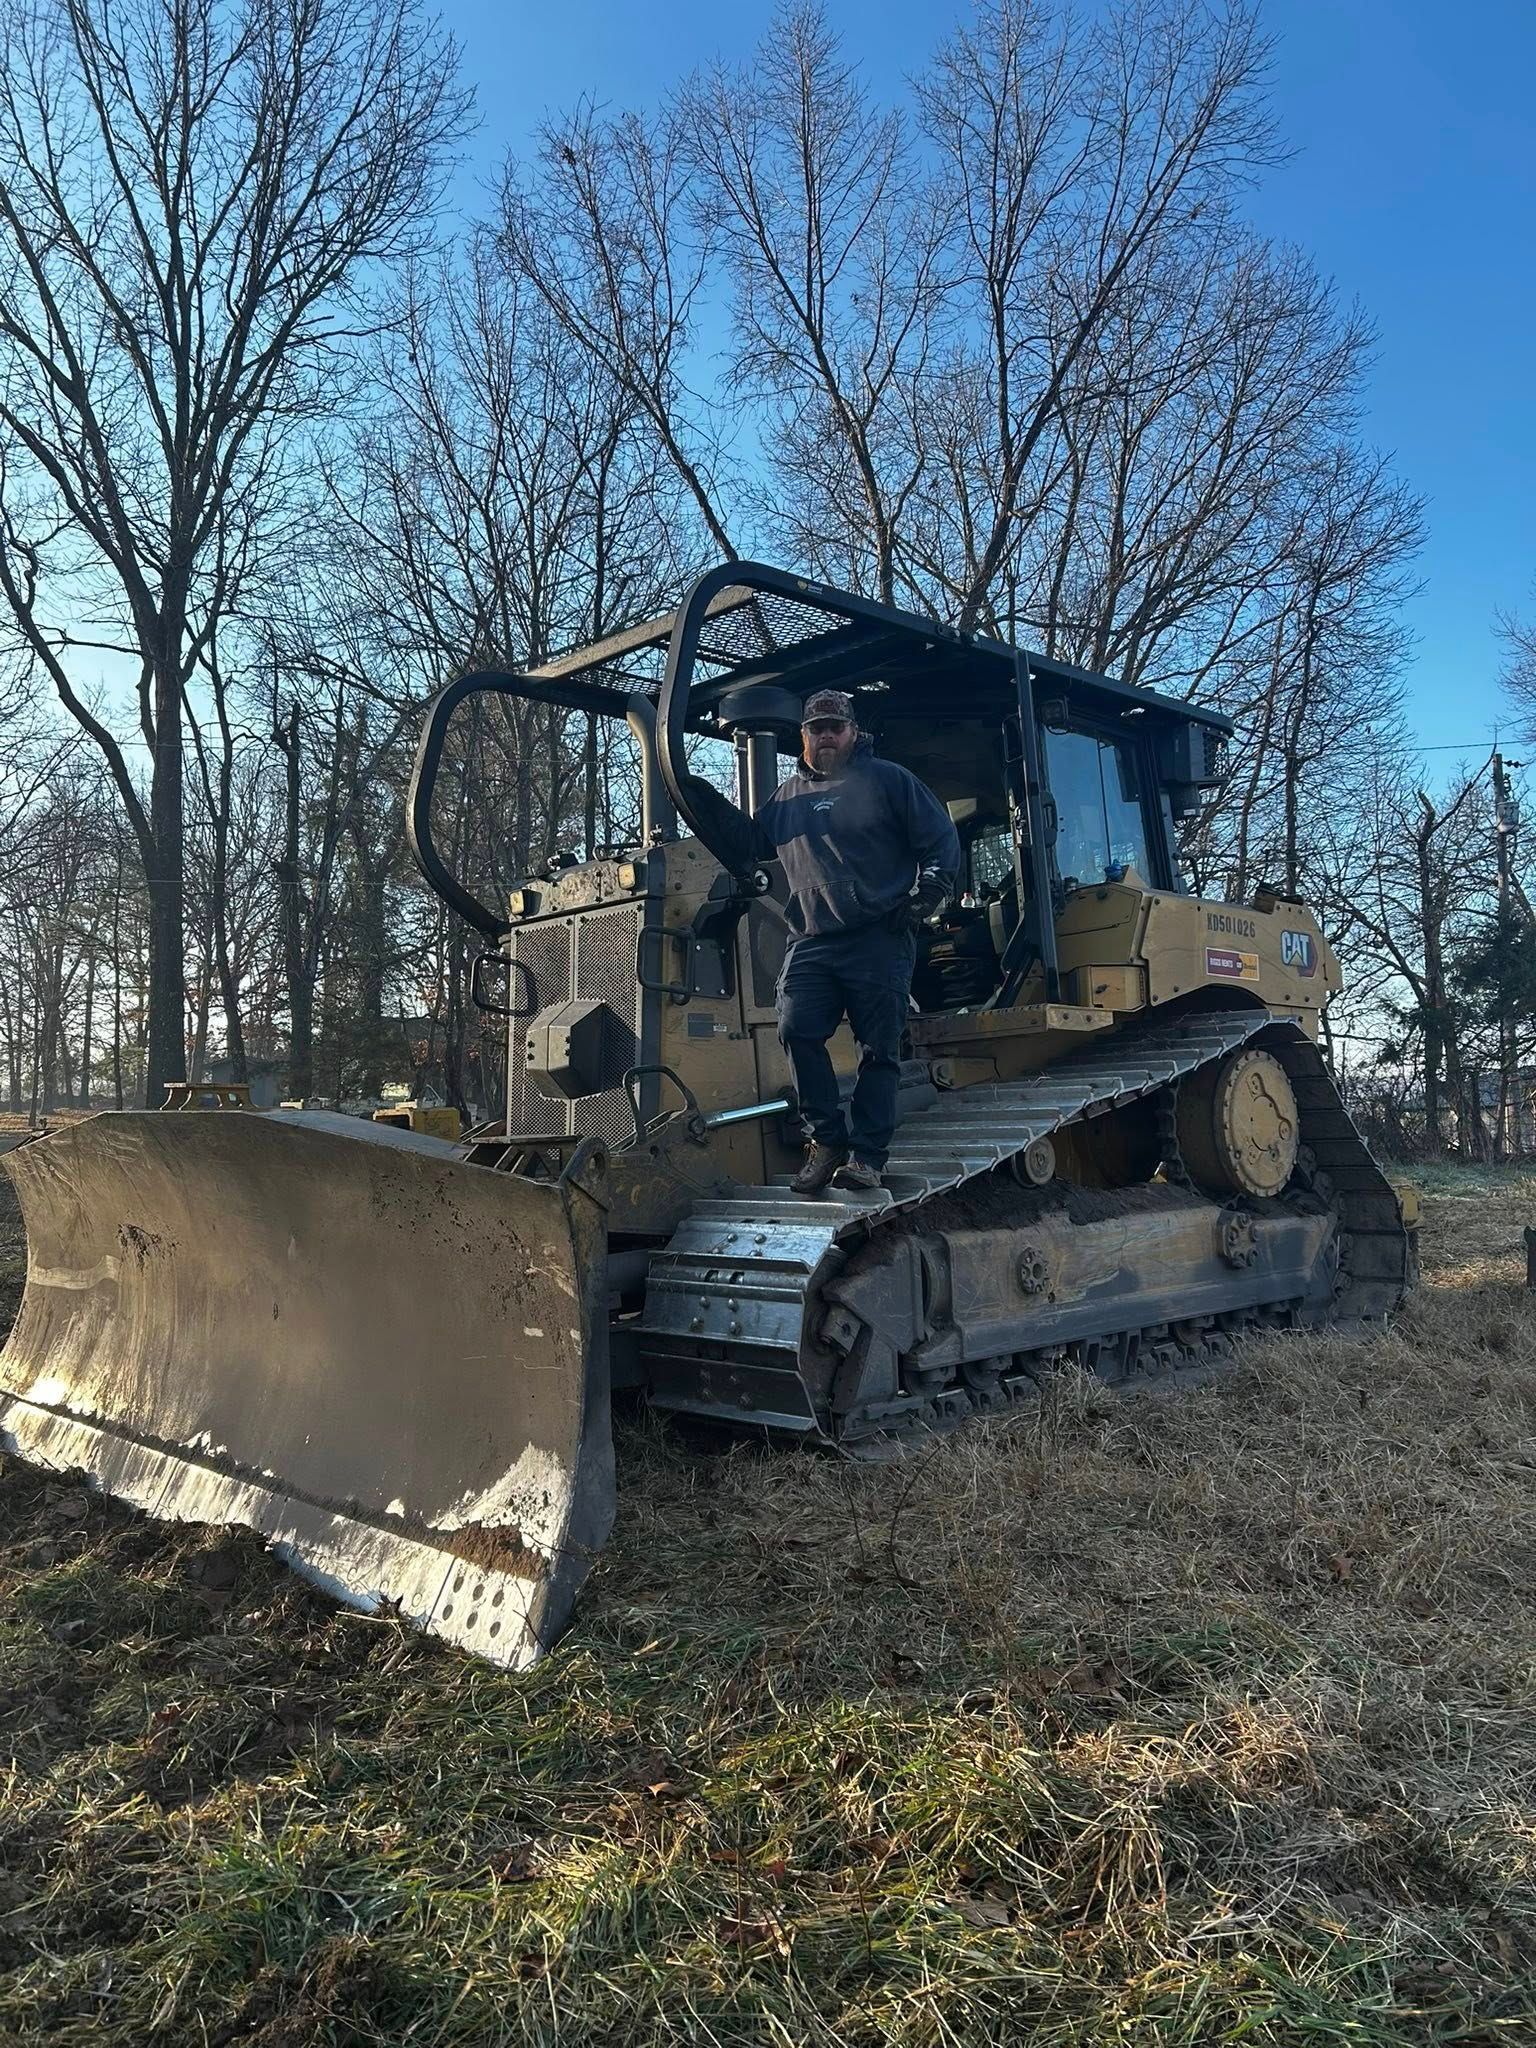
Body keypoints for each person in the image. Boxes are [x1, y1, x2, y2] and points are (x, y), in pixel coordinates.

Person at [686, 688, 960, 1195]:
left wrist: (928, 895)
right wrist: (695, 793)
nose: (827, 735)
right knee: (795, 1028)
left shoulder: (889, 781)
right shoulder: (787, 798)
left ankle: (868, 1157)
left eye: (836, 726)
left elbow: (940, 840)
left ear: (853, 733)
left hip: (879, 934)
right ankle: (827, 1139)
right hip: (811, 938)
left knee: (877, 1050)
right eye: (817, 728)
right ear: (804, 737)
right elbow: (750, 845)